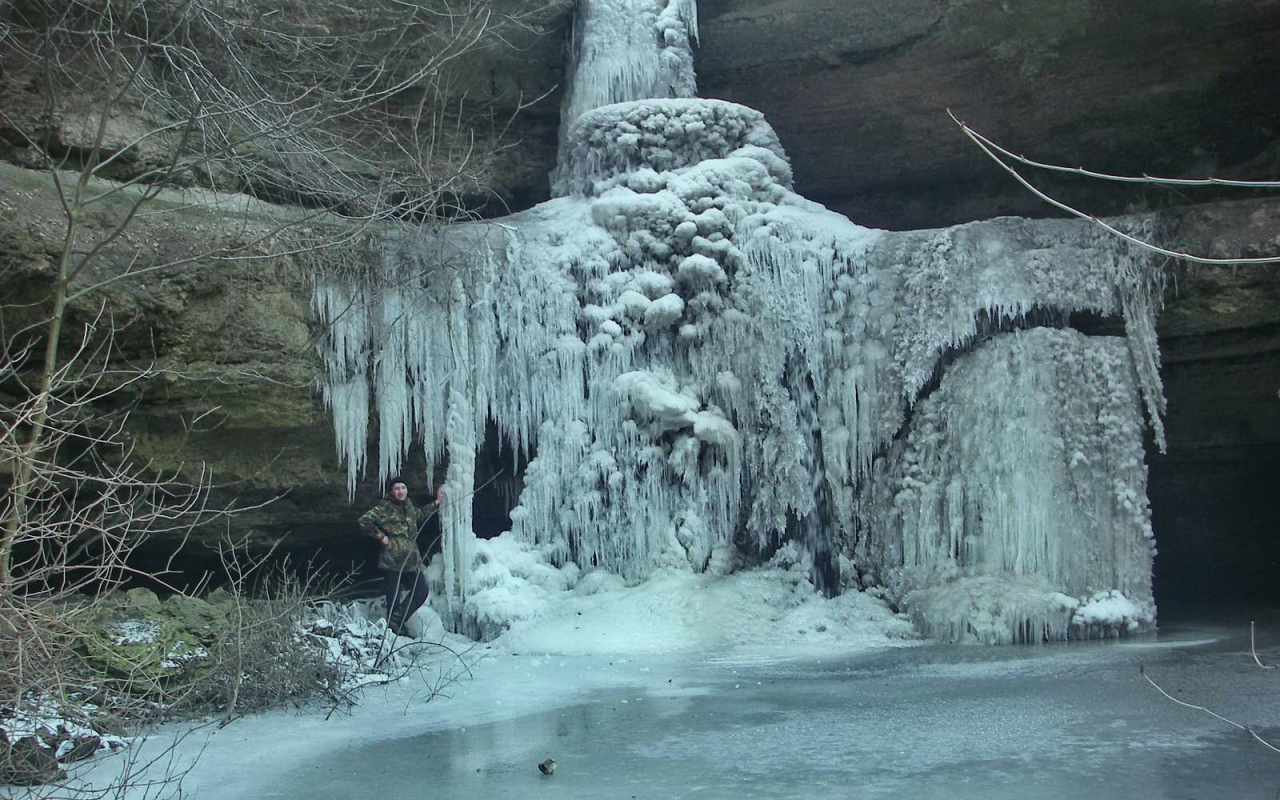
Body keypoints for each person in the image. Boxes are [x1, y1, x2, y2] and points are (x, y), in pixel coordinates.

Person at [358, 477, 444, 637]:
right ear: (391, 491)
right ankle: (392, 629)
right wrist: (381, 537)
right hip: (392, 559)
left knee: (421, 591)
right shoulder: (385, 507)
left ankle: (396, 619)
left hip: (411, 559)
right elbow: (365, 520)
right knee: (393, 594)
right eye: (397, 488)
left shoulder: (409, 506)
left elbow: (419, 515)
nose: (400, 491)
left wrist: (437, 502)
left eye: (403, 488)